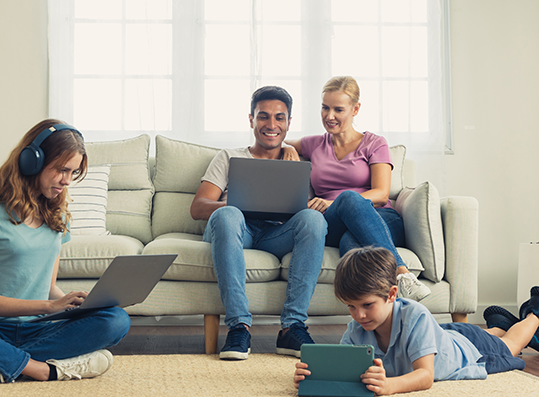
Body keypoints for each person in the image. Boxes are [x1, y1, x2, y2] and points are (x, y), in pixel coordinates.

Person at [0, 119, 131, 386]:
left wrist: (72, 307)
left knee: (116, 319)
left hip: (40, 330)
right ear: (33, 162)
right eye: (62, 170)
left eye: (73, 173)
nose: (66, 181)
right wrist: (50, 306)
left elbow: (49, 286)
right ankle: (44, 370)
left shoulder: (59, 215)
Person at [190, 86, 327, 361]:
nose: (271, 124)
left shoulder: (298, 162)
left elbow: (303, 212)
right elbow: (198, 208)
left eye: (279, 117)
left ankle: (292, 326)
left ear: (289, 123)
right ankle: (239, 326)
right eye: (263, 116)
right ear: (251, 120)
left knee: (313, 219)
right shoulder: (229, 157)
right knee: (228, 215)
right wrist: (239, 204)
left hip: (277, 234)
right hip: (237, 231)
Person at [293, 246, 539, 395]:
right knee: (493, 335)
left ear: (391, 294)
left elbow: (425, 376)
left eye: (367, 305)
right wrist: (313, 376)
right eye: (351, 307)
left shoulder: (416, 316)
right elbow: (343, 374)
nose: (359, 315)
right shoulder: (356, 329)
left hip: (467, 347)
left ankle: (534, 311)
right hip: (442, 336)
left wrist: (388, 386)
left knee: (510, 347)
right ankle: (500, 324)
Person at [284, 76, 430, 301]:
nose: (329, 116)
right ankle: (402, 276)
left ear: (355, 109)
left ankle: (380, 309)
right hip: (331, 222)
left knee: (350, 241)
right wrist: (288, 150)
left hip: (379, 217)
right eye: (325, 108)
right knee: (347, 205)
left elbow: (381, 194)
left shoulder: (374, 143)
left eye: (338, 110)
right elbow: (276, 139)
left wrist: (335, 202)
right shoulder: (314, 144)